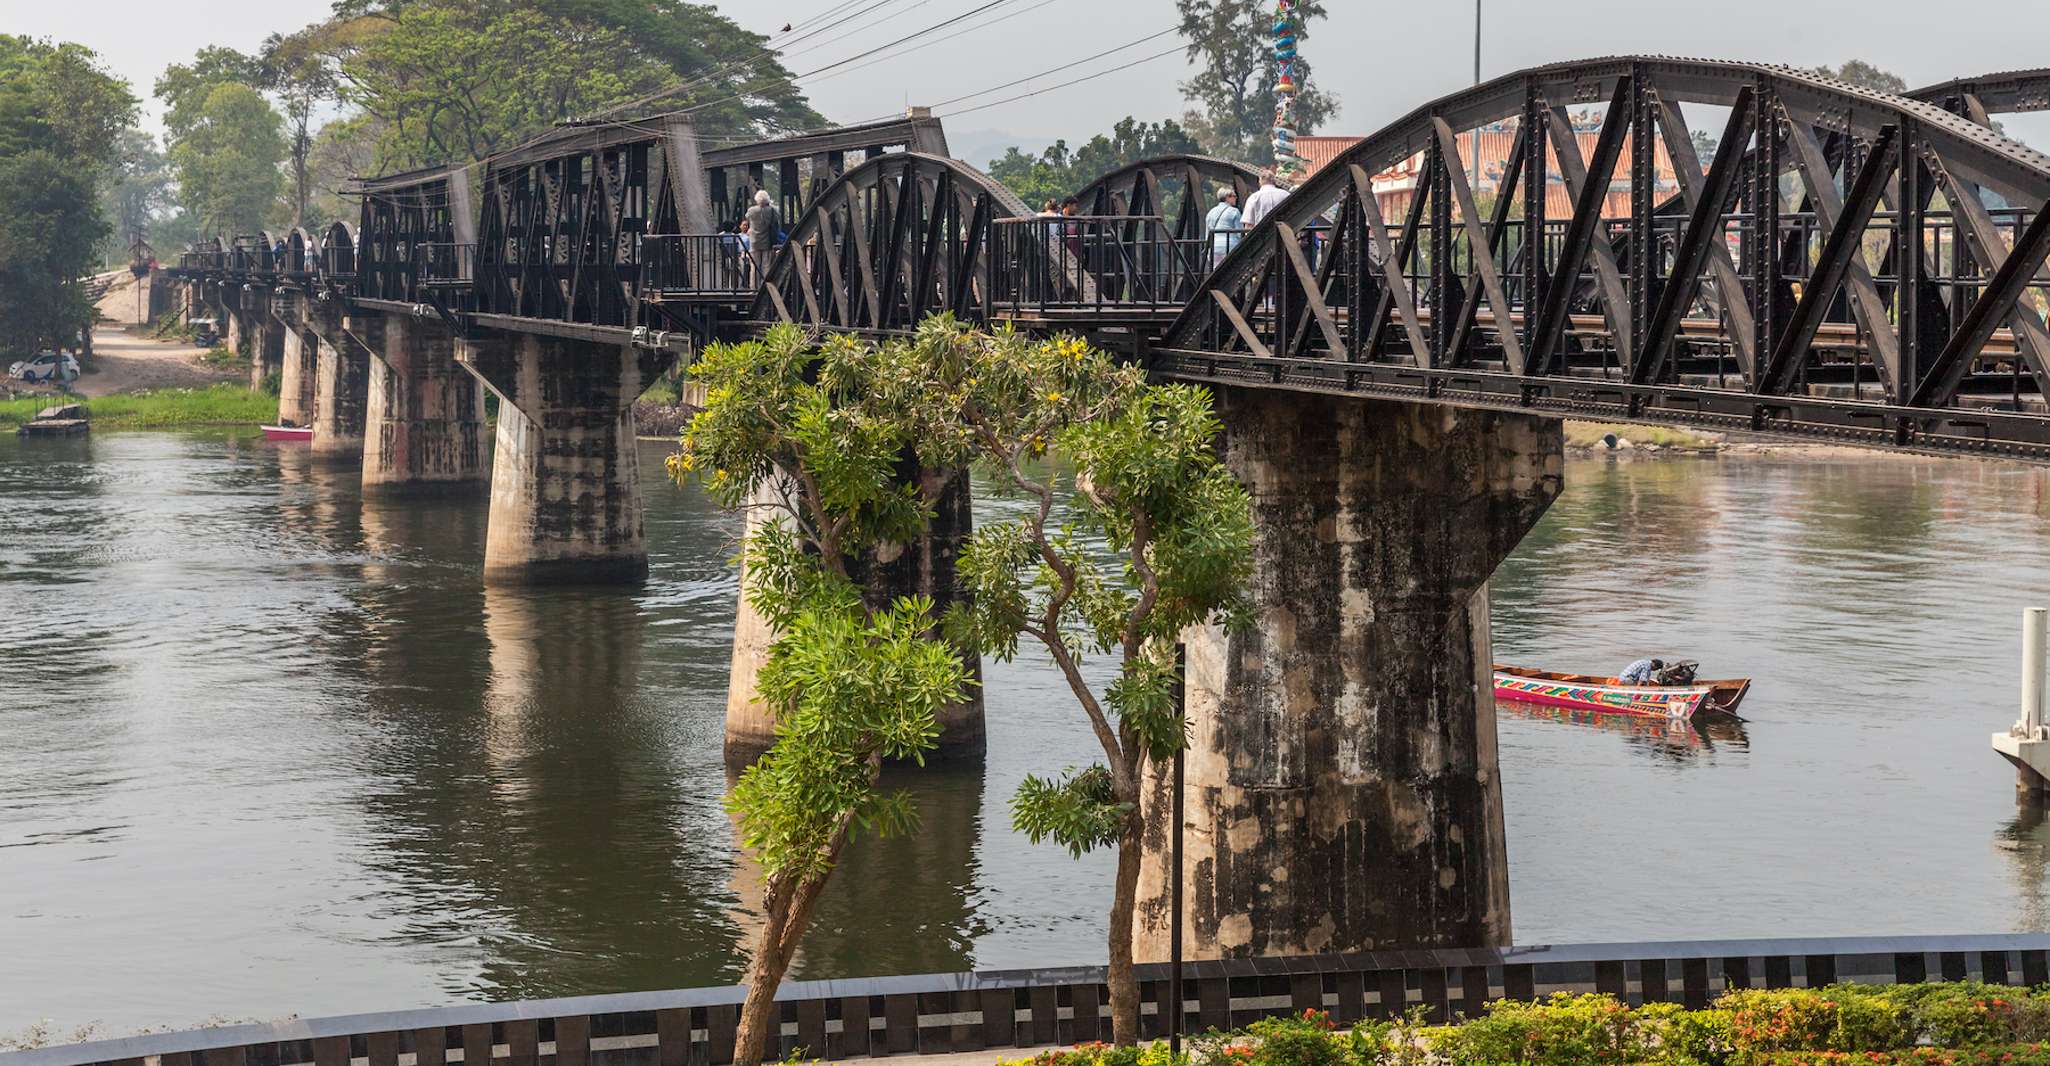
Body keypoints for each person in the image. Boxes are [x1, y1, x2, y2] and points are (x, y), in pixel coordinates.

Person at [743, 189, 781, 281]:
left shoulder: (752, 210)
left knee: (754, 266)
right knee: (766, 265)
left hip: (754, 241)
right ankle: (765, 286)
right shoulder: (772, 210)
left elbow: (746, 217)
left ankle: (754, 287)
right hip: (767, 241)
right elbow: (777, 218)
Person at [1205, 185, 1242, 265]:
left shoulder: (1211, 212)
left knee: (1216, 272)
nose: (1236, 198)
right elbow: (1240, 234)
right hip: (1231, 247)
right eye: (1234, 196)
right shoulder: (1234, 211)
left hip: (1214, 248)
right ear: (1227, 197)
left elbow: (1208, 235)